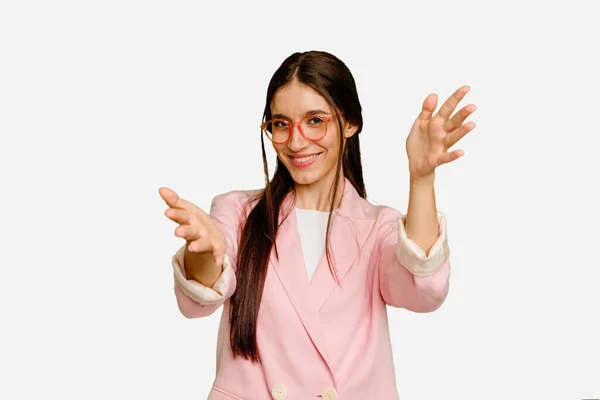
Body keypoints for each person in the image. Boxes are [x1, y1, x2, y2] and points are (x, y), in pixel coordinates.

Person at [159, 50, 476, 400]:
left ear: (350, 123)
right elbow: (198, 301)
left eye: (314, 121)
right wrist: (203, 252)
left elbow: (424, 292)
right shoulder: (238, 211)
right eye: (280, 124)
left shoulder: (378, 228)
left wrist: (421, 179)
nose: (296, 142)